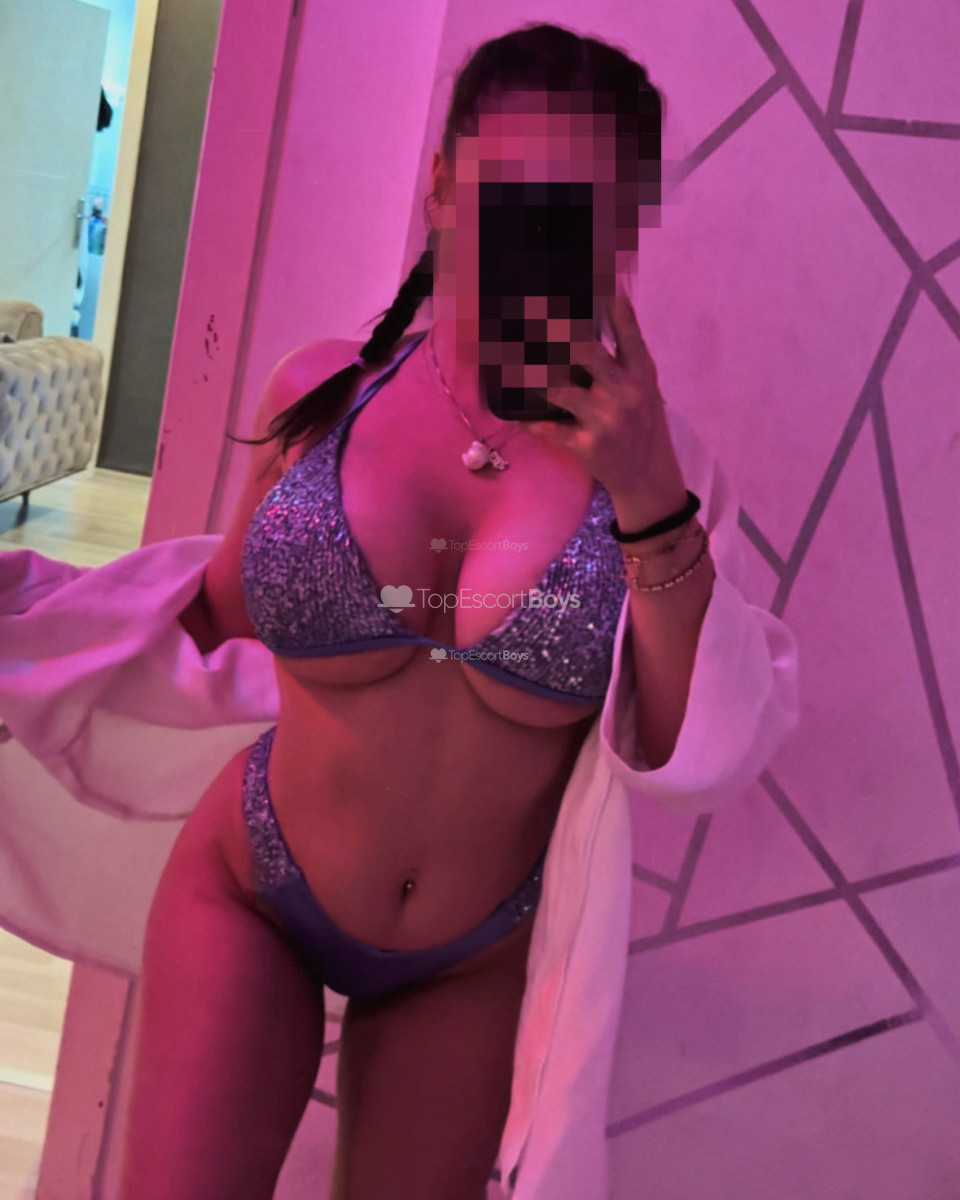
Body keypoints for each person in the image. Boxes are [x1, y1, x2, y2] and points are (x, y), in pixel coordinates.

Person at [0, 21, 798, 1200]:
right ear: (441, 186)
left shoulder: (658, 473)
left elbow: (696, 752)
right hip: (254, 885)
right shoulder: (326, 393)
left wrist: (648, 495)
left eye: (580, 207)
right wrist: (34, 619)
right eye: (510, 188)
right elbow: (213, 616)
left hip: (472, 956)